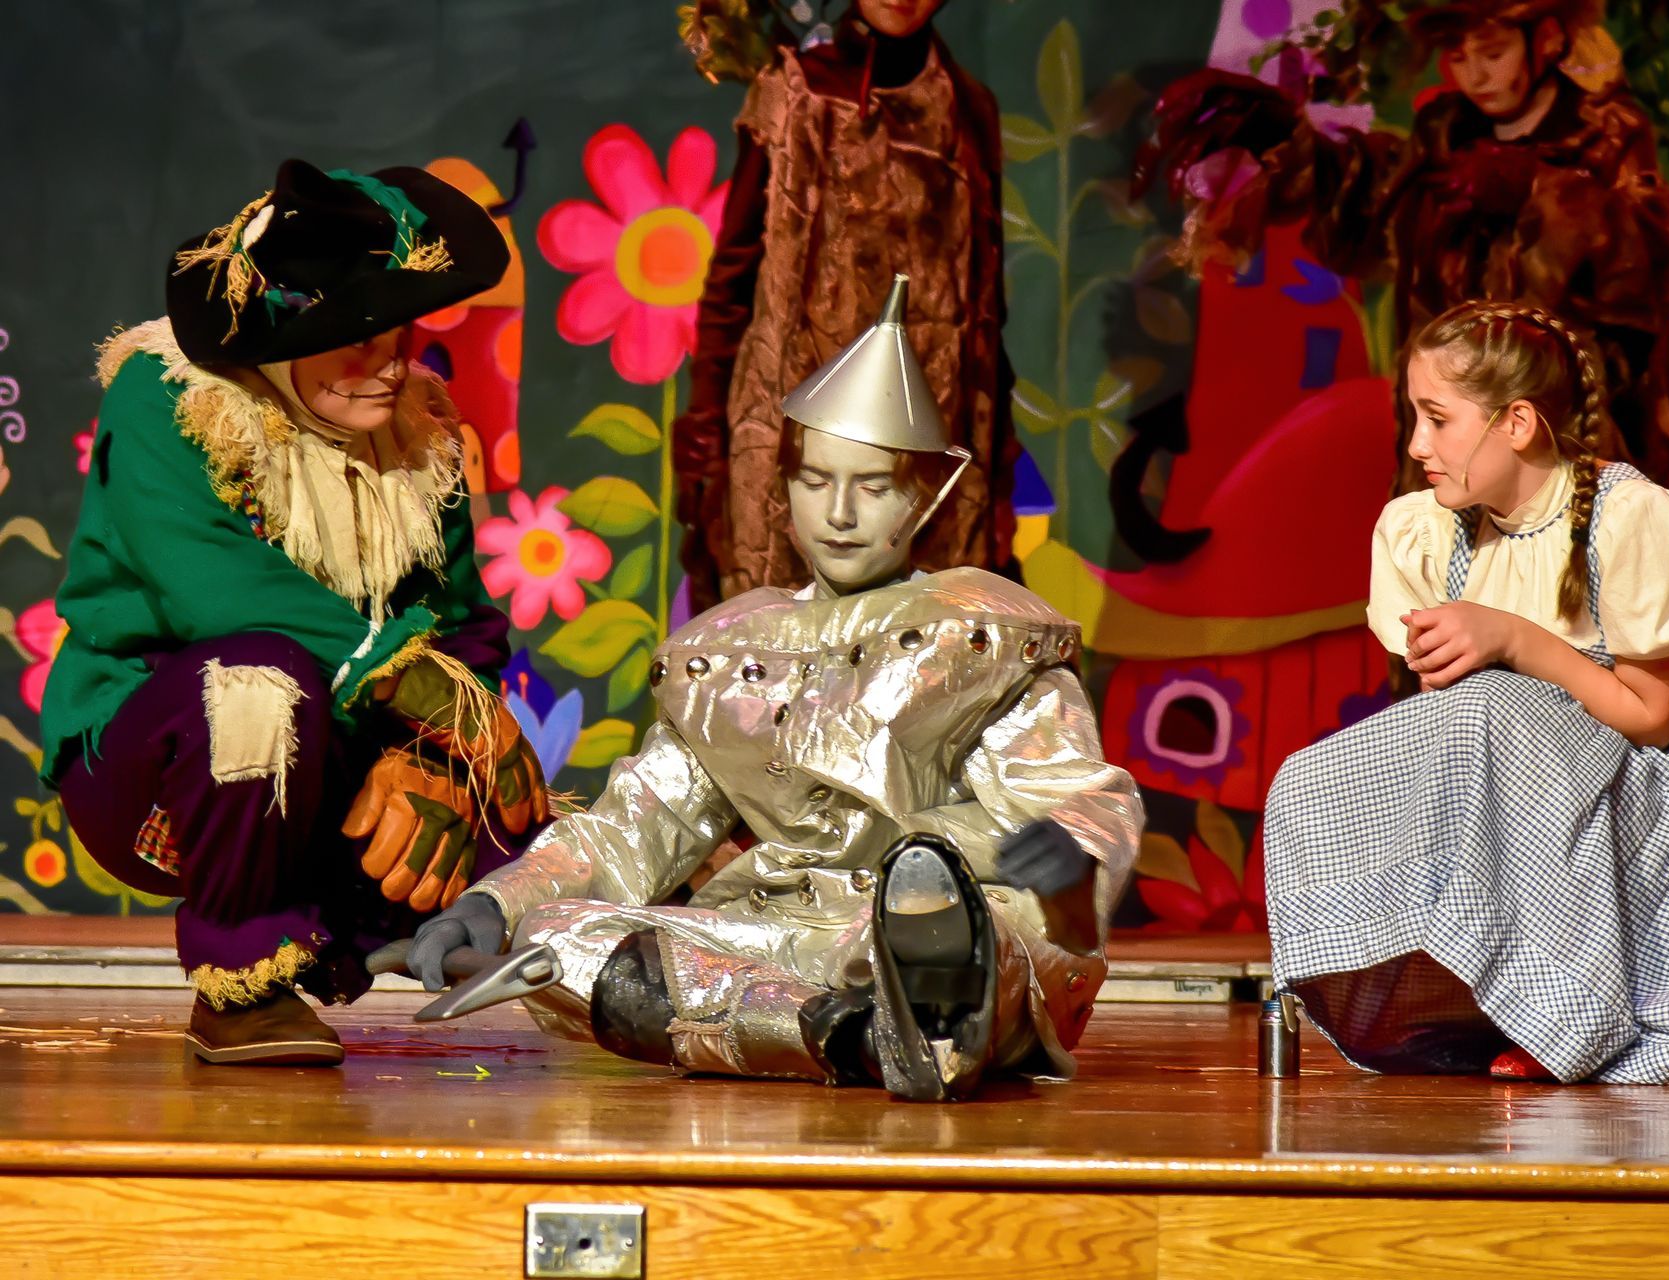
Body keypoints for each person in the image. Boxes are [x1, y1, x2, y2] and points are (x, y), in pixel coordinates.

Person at [407, 277, 1142, 1101]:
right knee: (561, 941)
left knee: (999, 932)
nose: (838, 512)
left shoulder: (982, 634)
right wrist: (500, 904)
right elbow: (638, 825)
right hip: (777, 938)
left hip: (936, 918)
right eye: (814, 479)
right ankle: (849, 1037)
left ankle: (914, 1004)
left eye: (872, 485)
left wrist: (1068, 853)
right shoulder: (730, 653)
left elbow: (1078, 797)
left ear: (924, 490)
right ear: (783, 482)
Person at [1261, 299, 1669, 1084]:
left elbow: (1655, 718)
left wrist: (1514, 639)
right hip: (1532, 765)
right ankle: (1387, 986)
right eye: (1414, 416)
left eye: (1438, 419)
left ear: (1518, 423)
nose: (1416, 445)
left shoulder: (1634, 521)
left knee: (1489, 717)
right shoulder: (1425, 530)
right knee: (1313, 774)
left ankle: (1572, 1013)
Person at [40, 160, 546, 1065]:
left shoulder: (420, 431)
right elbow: (215, 592)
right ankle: (241, 985)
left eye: (402, 330)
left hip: (335, 744)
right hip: (160, 758)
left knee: (523, 812)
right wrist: (413, 683)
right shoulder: (170, 399)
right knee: (255, 681)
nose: (393, 362)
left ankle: (355, 932)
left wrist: (425, 757)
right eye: (357, 336)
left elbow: (462, 623)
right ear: (282, 333)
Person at [1139, 0, 1669, 495]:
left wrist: (1539, 191)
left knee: (1547, 592)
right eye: (1458, 56)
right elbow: (1378, 219)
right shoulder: (1444, 131)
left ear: (1546, 38)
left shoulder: (1606, 135)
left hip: (1564, 442)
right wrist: (1292, 146)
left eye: (1493, 53)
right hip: (1452, 438)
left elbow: (1644, 271)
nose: (1476, 75)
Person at [672, 0, 1022, 614]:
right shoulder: (795, 93)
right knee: (781, 661)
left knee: (922, 667)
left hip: (926, 451)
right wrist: (706, 452)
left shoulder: (968, 111)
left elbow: (985, 319)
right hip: (792, 443)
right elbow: (731, 282)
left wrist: (993, 487)